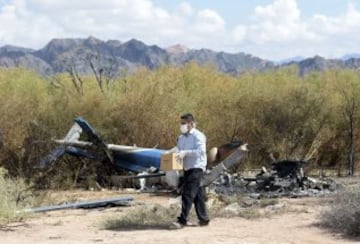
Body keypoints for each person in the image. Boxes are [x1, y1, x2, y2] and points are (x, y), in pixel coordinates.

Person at [170, 113, 210, 229]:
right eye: (181, 123)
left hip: (197, 167)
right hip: (187, 168)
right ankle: (204, 220)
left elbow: (201, 152)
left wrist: (186, 153)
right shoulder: (181, 138)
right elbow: (179, 151)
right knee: (198, 195)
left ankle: (182, 221)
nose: (181, 125)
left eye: (184, 123)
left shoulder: (198, 136)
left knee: (187, 194)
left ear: (191, 123)